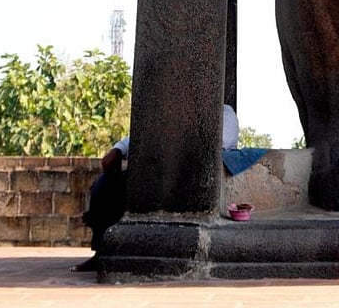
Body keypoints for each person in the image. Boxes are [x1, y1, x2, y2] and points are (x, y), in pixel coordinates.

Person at [72, 105, 239, 272]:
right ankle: (101, 251)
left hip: (191, 173)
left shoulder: (225, 113)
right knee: (104, 184)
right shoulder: (171, 110)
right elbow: (146, 132)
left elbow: (218, 143)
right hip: (155, 168)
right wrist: (119, 149)